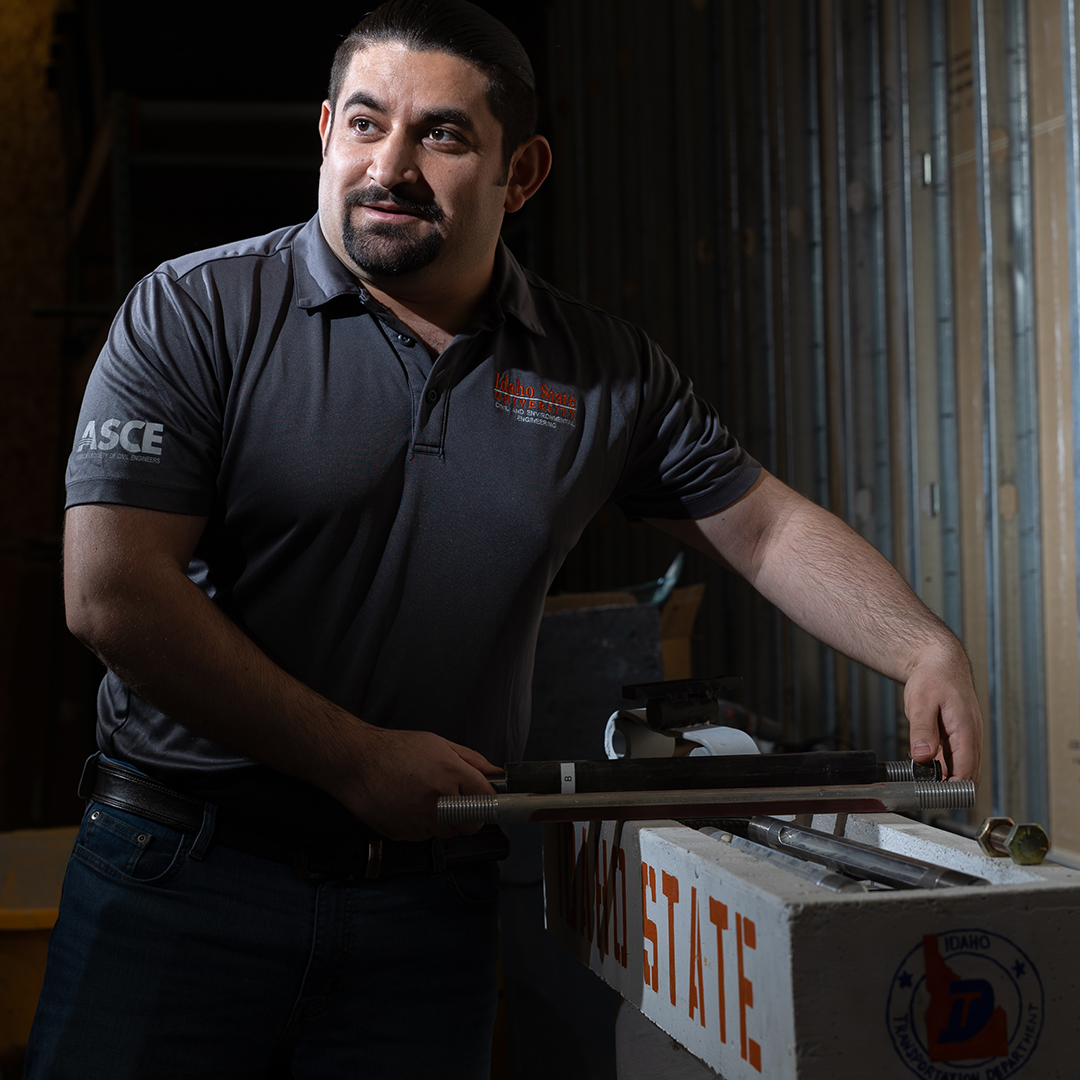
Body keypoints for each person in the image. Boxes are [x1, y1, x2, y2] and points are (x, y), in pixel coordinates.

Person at [27, 1, 983, 1077]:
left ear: (518, 174)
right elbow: (110, 594)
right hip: (183, 875)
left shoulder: (601, 367)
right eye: (365, 124)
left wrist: (921, 647)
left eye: (441, 134)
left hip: (423, 909)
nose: (390, 165)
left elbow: (761, 528)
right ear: (327, 130)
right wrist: (353, 757)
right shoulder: (195, 313)